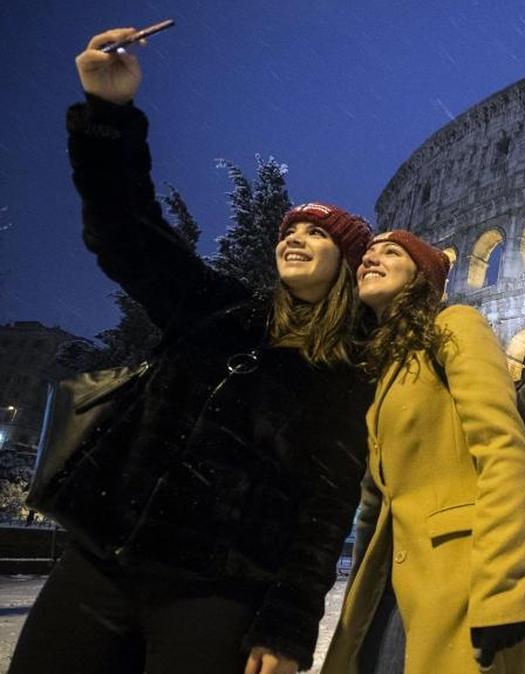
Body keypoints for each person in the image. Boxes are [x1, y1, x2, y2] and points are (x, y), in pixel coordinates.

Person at [12, 29, 374, 674]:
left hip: (217, 590)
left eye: (317, 234)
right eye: (290, 229)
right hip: (101, 563)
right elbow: (126, 228)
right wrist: (108, 114)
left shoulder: (342, 369)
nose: (295, 237)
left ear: (344, 262)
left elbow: (327, 503)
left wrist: (288, 627)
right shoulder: (216, 307)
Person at [321, 230, 525, 674]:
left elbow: (503, 450)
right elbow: (375, 501)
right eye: (367, 254)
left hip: (463, 574)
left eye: (391, 252)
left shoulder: (454, 324)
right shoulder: (387, 367)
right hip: (392, 582)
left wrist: (500, 587)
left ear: (422, 276)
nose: (370, 258)